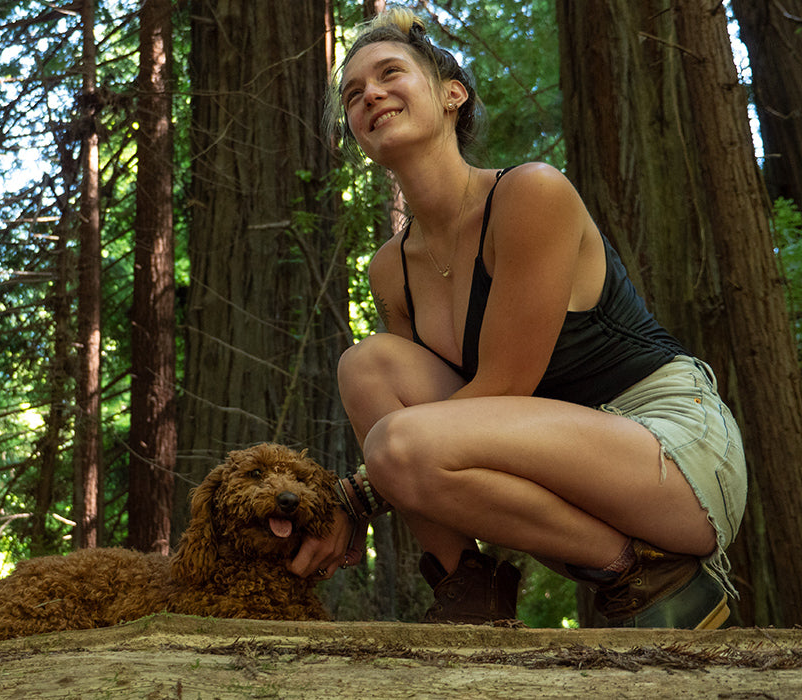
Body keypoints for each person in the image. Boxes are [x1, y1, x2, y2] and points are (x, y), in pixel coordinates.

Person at [287, 7, 747, 629]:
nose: (370, 94)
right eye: (352, 94)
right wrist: (378, 478)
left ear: (453, 94)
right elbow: (440, 434)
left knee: (399, 445)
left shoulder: (531, 193)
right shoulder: (390, 269)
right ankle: (468, 589)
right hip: (560, 483)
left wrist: (359, 494)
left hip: (668, 453)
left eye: (390, 72)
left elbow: (501, 391)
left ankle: (658, 573)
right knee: (367, 368)